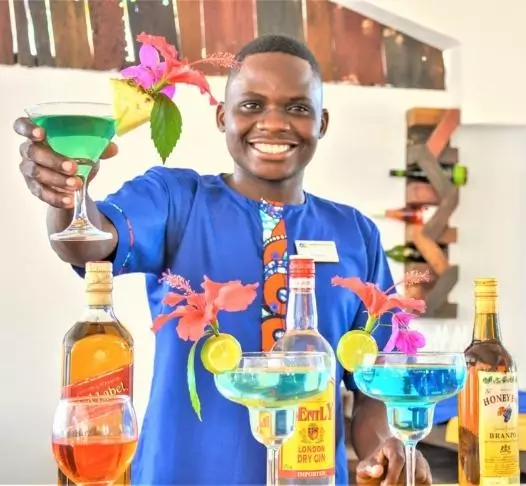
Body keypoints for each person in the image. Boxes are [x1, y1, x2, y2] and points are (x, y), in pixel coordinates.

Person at [15, 35, 434, 485]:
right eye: (252, 105)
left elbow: (372, 386)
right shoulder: (175, 199)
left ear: (322, 122)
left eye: (297, 108)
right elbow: (87, 243)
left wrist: (387, 448)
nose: (274, 123)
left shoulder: (355, 233)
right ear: (223, 116)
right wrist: (65, 194)